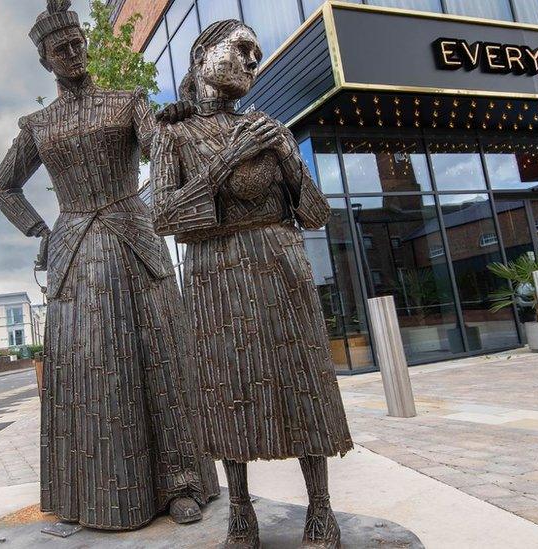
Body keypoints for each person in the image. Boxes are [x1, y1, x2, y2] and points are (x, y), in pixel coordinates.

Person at [0, 0, 217, 531]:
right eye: (59, 48)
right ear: (44, 60)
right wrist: (40, 231)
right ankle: (92, 491)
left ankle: (182, 481)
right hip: (75, 252)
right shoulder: (39, 125)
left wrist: (179, 118)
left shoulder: (126, 100)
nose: (72, 53)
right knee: (91, 370)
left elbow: (162, 144)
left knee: (162, 356)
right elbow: (1, 185)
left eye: (76, 42)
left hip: (134, 238)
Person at [151, 19, 353, 549]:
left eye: (257, 56)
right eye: (241, 49)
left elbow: (315, 214)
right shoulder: (173, 135)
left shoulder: (272, 127)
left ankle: (321, 506)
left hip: (280, 261)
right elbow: (165, 216)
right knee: (225, 386)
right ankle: (240, 509)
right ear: (202, 55)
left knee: (302, 378)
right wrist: (226, 164)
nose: (251, 62)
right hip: (214, 268)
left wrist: (286, 155)